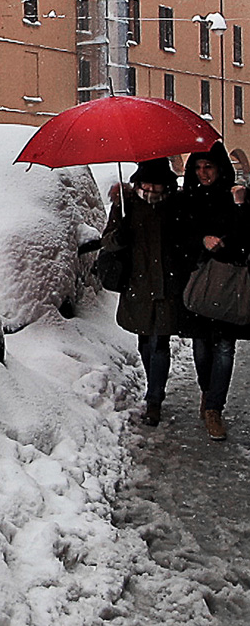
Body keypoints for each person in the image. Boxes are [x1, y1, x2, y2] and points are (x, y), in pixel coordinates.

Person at [101, 157, 188, 426]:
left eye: (157, 183)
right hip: (137, 284)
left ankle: (154, 399)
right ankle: (153, 387)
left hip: (166, 284)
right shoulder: (126, 206)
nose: (151, 188)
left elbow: (184, 241)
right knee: (144, 342)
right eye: (147, 182)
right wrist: (120, 236)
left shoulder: (176, 206)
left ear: (166, 184)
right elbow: (108, 240)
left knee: (160, 343)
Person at [180, 142, 250, 441]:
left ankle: (214, 408)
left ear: (220, 168)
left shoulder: (234, 197)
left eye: (208, 167)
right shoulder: (189, 198)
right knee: (201, 347)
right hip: (197, 285)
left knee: (224, 347)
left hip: (229, 282)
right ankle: (207, 391)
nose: (203, 173)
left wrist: (240, 208)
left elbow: (246, 237)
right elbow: (179, 233)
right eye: (198, 167)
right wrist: (201, 240)